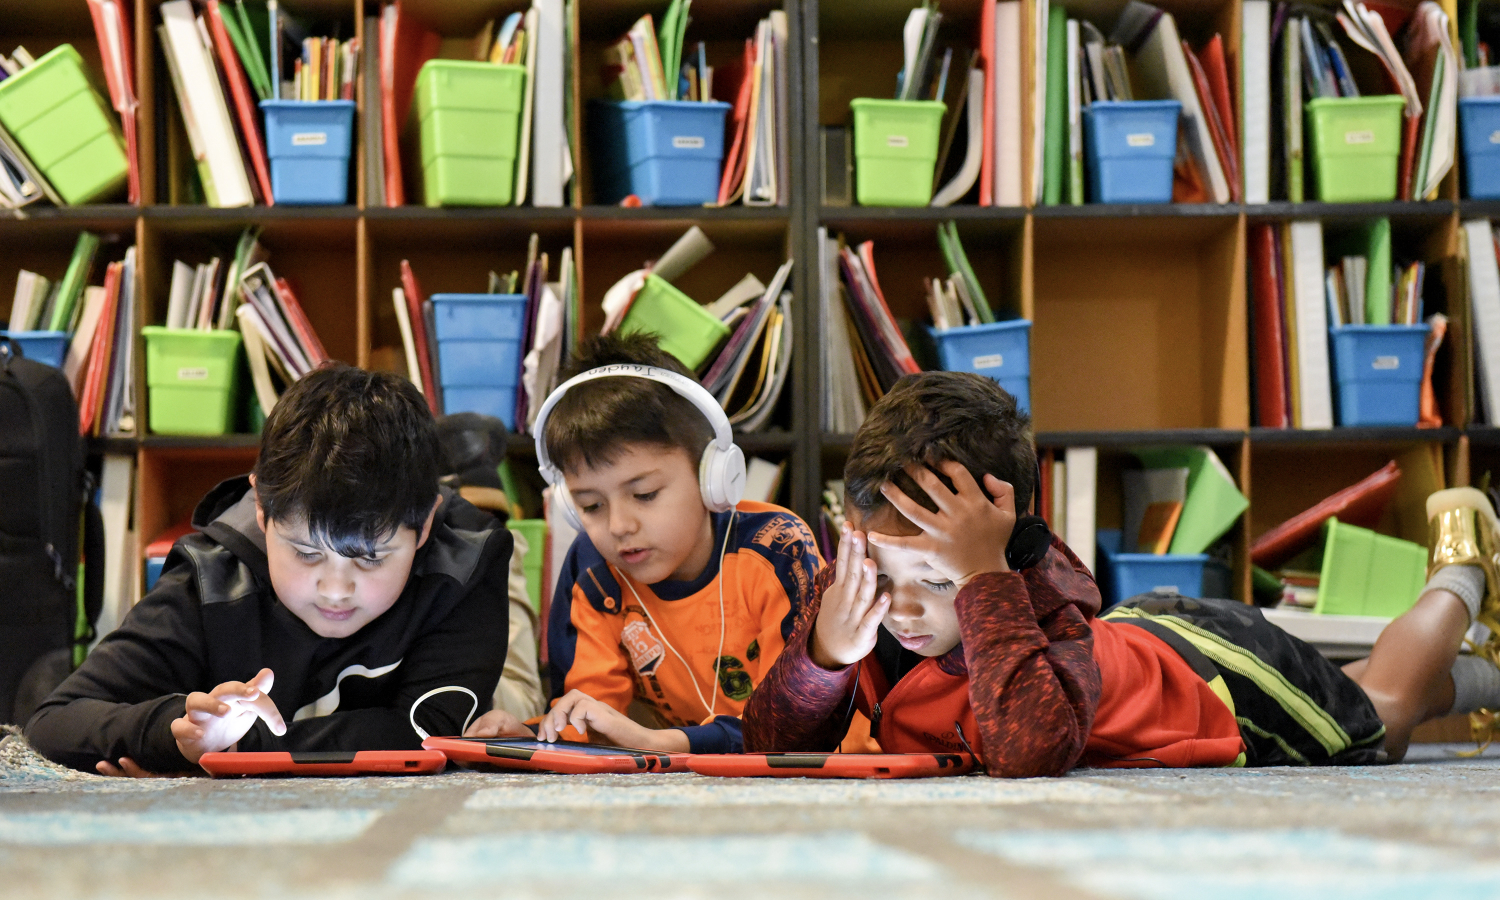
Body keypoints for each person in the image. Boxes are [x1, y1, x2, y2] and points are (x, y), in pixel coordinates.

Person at [743, 370, 1500, 775]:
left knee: (1382, 711)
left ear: (1007, 554)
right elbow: (766, 742)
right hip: (1146, 643)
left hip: (1218, 684)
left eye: (937, 581)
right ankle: (1483, 672)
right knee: (1354, 687)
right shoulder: (858, 585)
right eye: (885, 573)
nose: (901, 609)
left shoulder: (1025, 593)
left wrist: (981, 583)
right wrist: (824, 659)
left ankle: (1462, 565)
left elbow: (1028, 751)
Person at [24, 364, 513, 774]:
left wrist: (223, 756)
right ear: (261, 509)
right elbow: (54, 722)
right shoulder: (213, 577)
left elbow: (429, 734)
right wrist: (179, 731)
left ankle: (466, 469)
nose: (336, 588)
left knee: (506, 716)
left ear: (423, 524)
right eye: (305, 552)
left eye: (370, 557)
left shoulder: (467, 564)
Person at [465, 333, 822, 754]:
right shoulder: (595, 571)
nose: (618, 526)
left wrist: (663, 742)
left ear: (714, 477)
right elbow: (590, 715)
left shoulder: (776, 549)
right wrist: (534, 735)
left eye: (646, 494)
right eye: (592, 505)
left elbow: (796, 727)